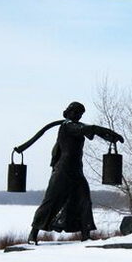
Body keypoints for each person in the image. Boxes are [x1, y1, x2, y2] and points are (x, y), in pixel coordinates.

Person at [22, 102, 123, 244]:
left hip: (76, 171)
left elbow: (89, 131)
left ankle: (86, 235)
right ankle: (33, 234)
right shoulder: (67, 126)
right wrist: (109, 132)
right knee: (51, 202)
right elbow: (88, 129)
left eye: (80, 113)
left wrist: (108, 137)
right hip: (62, 171)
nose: (78, 115)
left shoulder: (76, 127)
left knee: (84, 200)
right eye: (76, 112)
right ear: (68, 112)